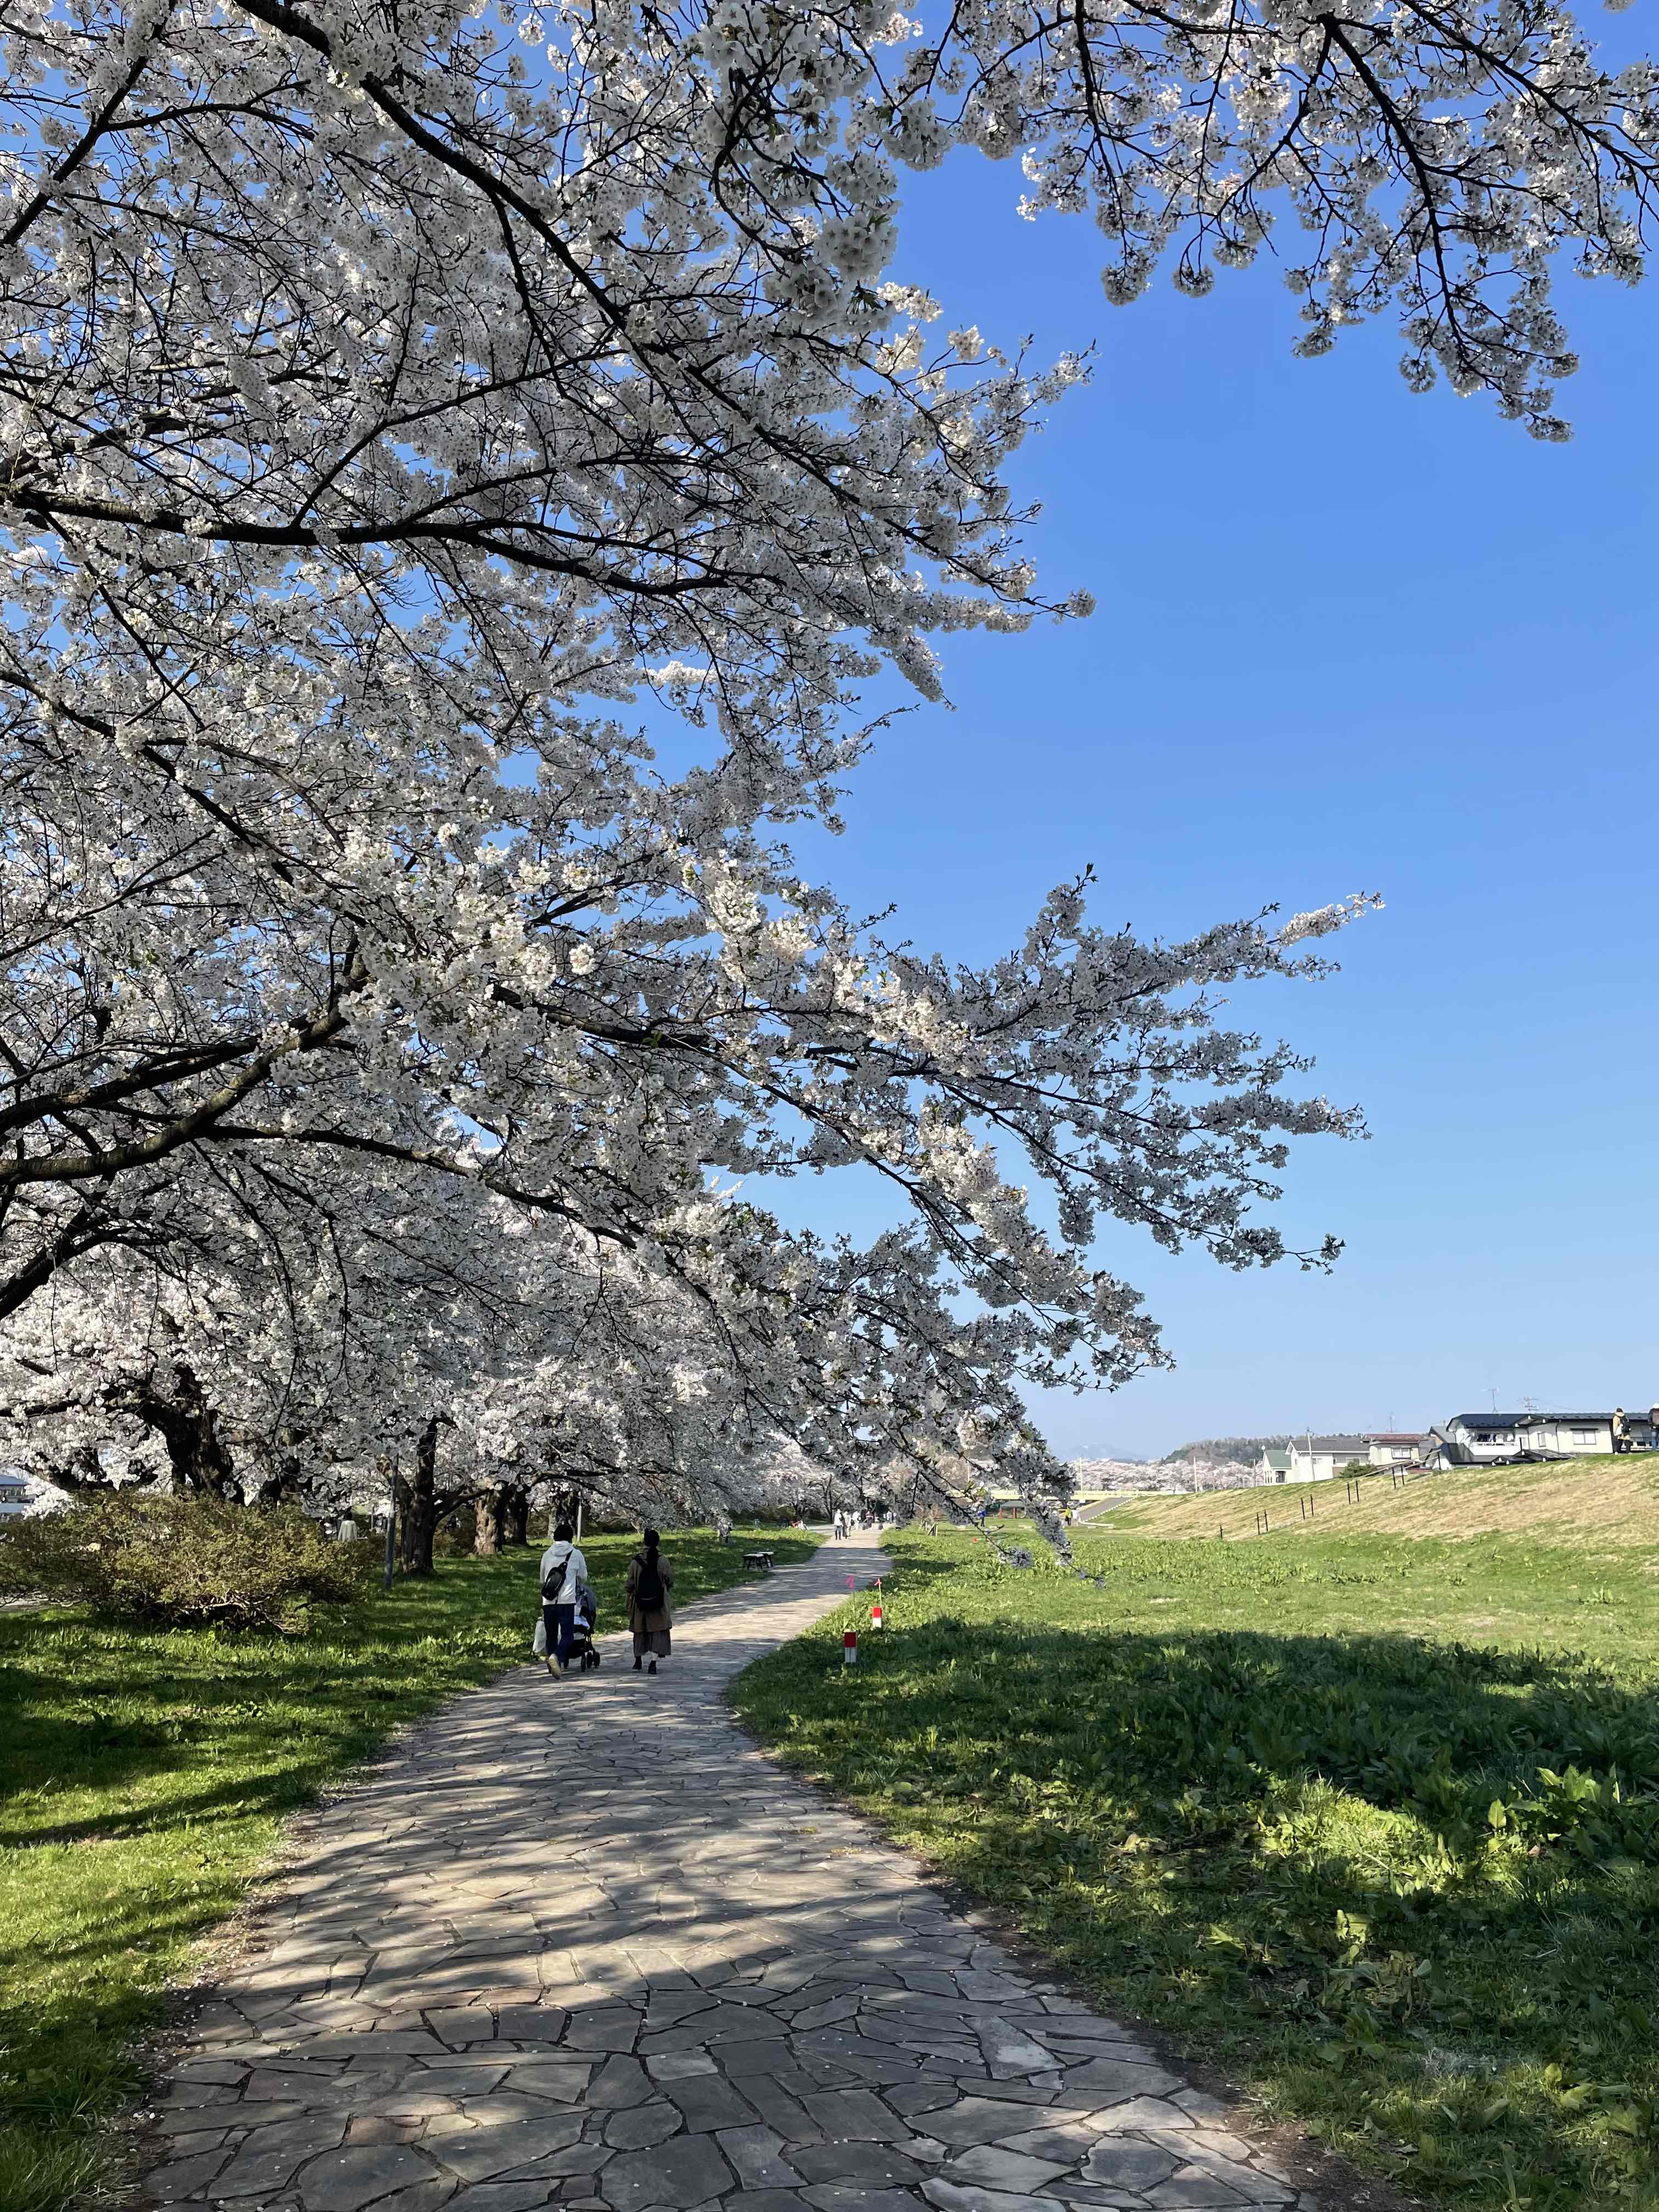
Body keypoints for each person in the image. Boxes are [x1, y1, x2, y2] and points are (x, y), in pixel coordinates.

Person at [539, 1520, 588, 1675]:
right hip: (567, 1601)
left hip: (548, 1600)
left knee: (551, 1635)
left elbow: (542, 1579)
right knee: (567, 1635)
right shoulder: (576, 1554)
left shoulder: (547, 1554)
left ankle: (552, 1664)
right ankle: (557, 1657)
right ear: (571, 1538)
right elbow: (583, 1576)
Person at [627, 1529, 673, 1674]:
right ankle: (653, 1664)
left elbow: (629, 1584)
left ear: (644, 1542)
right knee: (657, 1631)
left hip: (640, 1603)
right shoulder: (663, 1560)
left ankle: (638, 1661)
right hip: (659, 1603)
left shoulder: (636, 1562)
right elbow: (669, 1580)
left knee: (640, 1631)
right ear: (658, 1542)